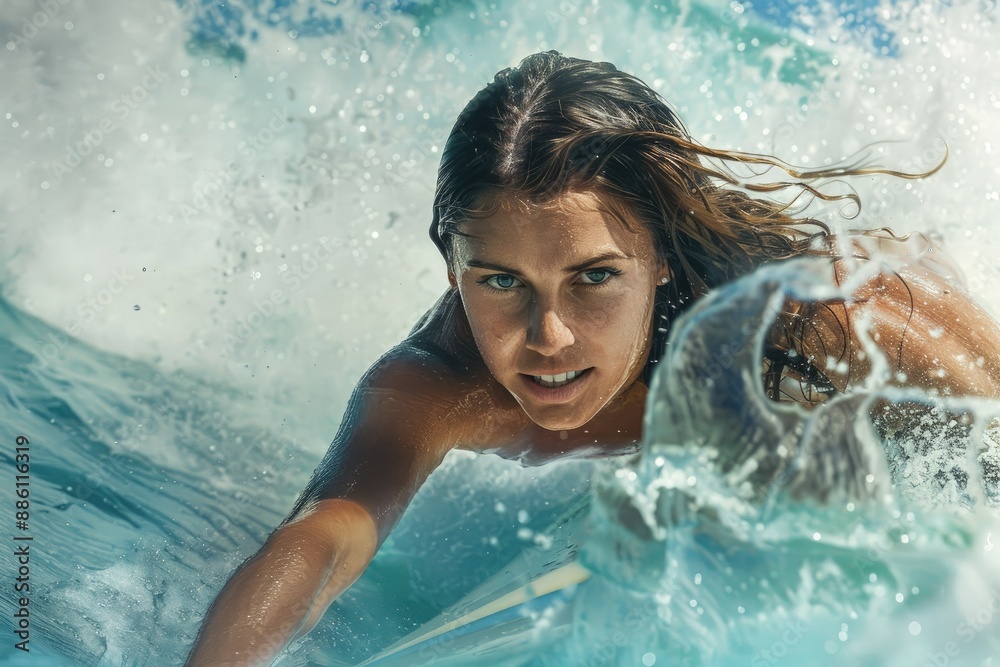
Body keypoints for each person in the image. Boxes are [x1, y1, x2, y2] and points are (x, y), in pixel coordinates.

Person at [185, 51, 1000, 665]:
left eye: (595, 278)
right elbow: (322, 537)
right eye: (500, 281)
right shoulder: (435, 389)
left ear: (662, 253)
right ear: (451, 268)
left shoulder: (823, 318)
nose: (548, 337)